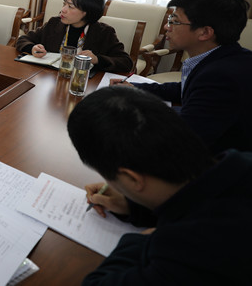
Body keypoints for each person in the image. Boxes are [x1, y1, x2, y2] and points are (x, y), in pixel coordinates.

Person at [67, 86, 252, 285]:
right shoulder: (240, 165)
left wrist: (143, 239)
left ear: (132, 178)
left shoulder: (187, 251)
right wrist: (132, 205)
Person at [110, 0, 252, 154]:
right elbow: (185, 88)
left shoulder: (221, 76)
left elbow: (183, 141)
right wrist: (136, 89)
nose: (166, 26)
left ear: (205, 32)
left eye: (175, 21)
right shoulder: (222, 57)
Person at [16, 0, 132, 73]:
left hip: (83, 81)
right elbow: (23, 39)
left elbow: (126, 62)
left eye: (70, 7)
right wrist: (32, 48)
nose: (63, 10)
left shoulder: (104, 32)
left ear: (87, 12)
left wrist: (97, 59)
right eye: (64, 4)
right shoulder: (54, 23)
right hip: (50, 76)